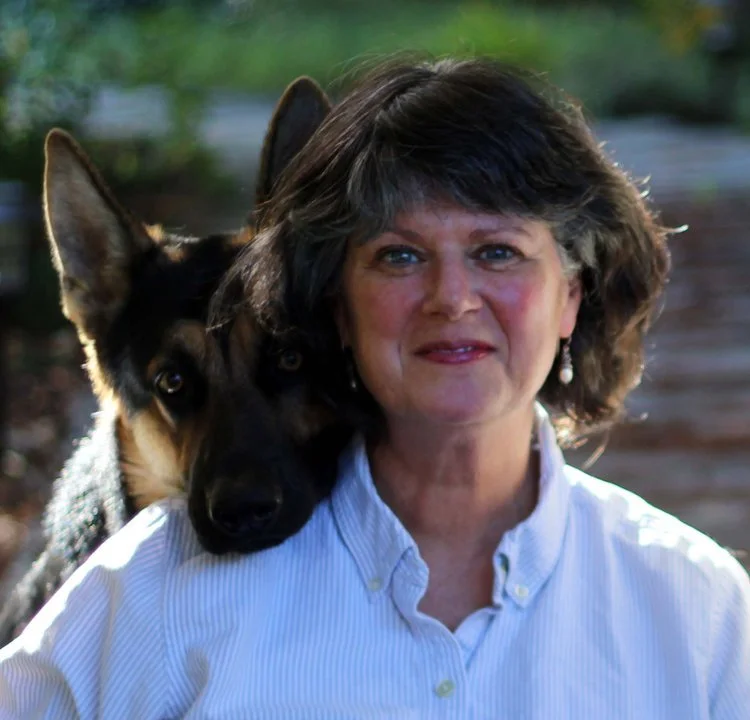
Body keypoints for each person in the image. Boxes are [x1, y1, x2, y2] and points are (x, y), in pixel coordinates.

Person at [0, 56, 748, 718]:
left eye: (497, 251)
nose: (452, 297)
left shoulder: (698, 612)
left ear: (570, 297)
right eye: (400, 256)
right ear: (334, 303)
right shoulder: (151, 594)